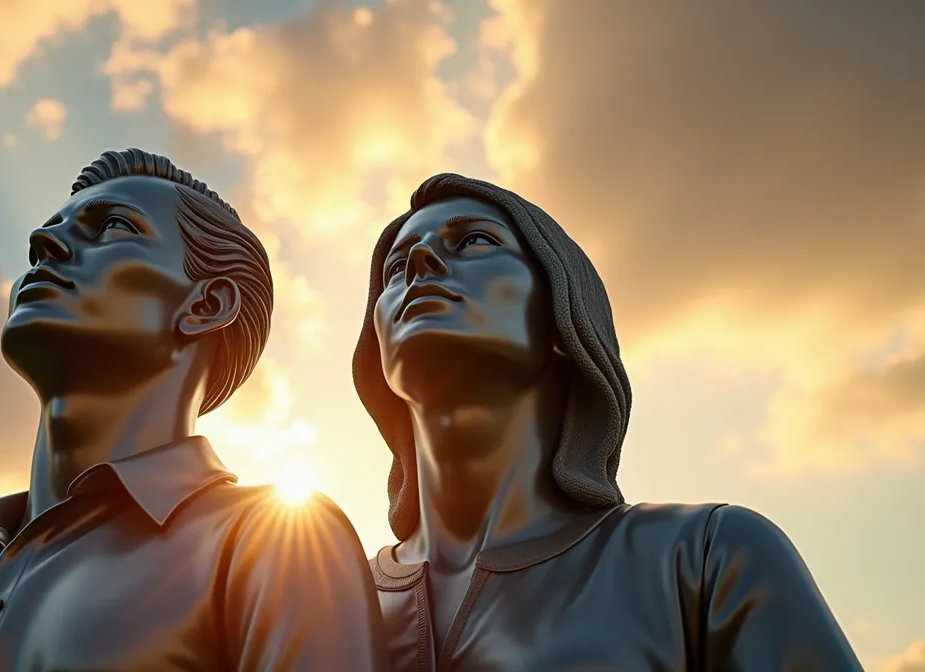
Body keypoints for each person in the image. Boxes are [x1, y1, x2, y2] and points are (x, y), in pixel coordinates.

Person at [0, 148, 389, 671]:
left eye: (112, 227)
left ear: (206, 303)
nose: (42, 241)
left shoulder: (277, 548)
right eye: (52, 227)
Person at [352, 172, 862, 670]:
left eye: (476, 241)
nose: (420, 262)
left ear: (564, 315)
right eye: (395, 268)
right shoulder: (326, 599)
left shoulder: (705, 557)